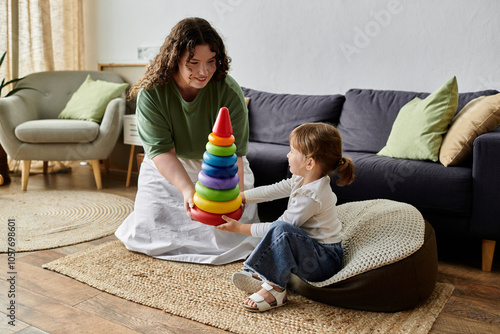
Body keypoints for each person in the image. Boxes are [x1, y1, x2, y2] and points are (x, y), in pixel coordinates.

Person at [115, 17, 260, 265]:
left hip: (220, 166)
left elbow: (235, 154)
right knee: (150, 229)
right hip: (170, 164)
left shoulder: (228, 91)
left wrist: (237, 194)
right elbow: (161, 152)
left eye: (211, 62)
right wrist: (188, 191)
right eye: (193, 63)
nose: (203, 72)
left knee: (227, 235)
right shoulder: (152, 93)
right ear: (174, 61)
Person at [216, 122, 355, 312]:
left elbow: (278, 228)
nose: (287, 155)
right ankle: (263, 273)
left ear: (310, 163)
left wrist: (240, 228)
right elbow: (274, 190)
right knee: (282, 233)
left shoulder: (311, 196)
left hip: (324, 261)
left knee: (282, 230)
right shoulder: (302, 179)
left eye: (292, 151)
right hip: (310, 250)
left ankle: (275, 289)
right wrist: (241, 197)